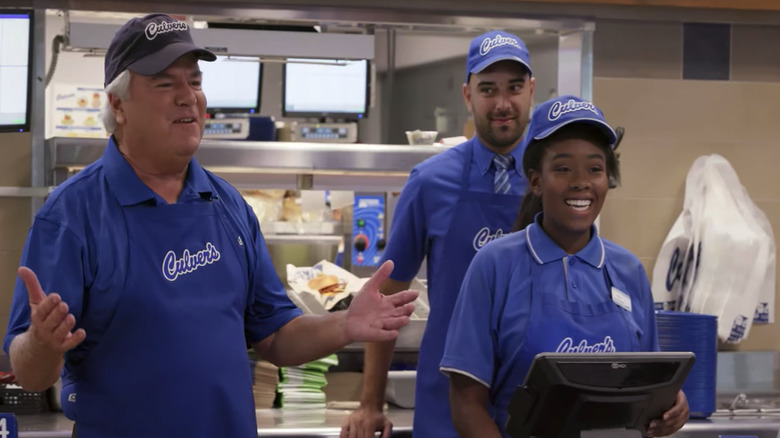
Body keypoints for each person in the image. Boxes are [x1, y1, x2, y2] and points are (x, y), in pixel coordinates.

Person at [3, 13, 418, 438]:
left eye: (195, 82)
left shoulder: (228, 205)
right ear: (117, 105)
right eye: (165, 83)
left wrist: (344, 325)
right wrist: (41, 343)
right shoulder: (73, 214)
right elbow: (29, 373)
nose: (189, 98)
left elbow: (277, 334)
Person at [439, 95, 689, 438]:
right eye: (563, 168)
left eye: (594, 168)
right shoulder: (495, 265)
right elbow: (466, 403)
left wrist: (673, 407)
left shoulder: (628, 270)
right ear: (536, 181)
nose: (580, 181)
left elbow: (647, 387)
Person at [342, 31, 534, 438]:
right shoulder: (430, 182)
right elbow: (386, 298)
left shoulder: (552, 179)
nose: (502, 104)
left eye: (514, 88)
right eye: (488, 89)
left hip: (532, 406)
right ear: (467, 96)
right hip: (446, 407)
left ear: (531, 90)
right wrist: (370, 403)